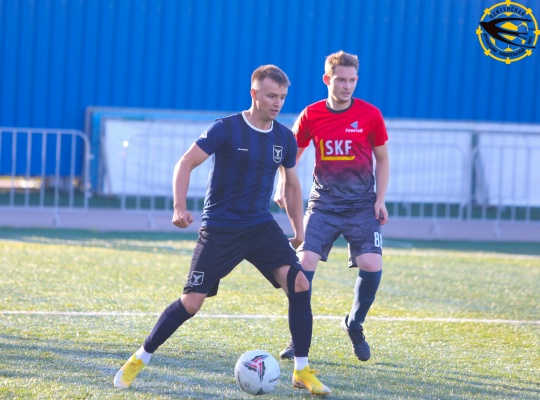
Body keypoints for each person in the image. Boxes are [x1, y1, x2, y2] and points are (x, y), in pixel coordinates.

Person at [113, 65, 331, 396]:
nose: (277, 103)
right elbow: (185, 163)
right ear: (254, 94)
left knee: (300, 283)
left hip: (260, 226)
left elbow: (291, 185)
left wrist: (298, 230)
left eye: (283, 97)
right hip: (220, 228)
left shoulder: (284, 137)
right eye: (271, 96)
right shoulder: (225, 128)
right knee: (191, 303)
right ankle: (138, 359)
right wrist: (179, 206)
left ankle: (301, 371)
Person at [275, 50, 389, 362]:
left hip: (361, 205)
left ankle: (354, 324)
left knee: (372, 265)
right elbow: (290, 158)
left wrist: (380, 199)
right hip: (323, 205)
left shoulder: (370, 115)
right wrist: (282, 185)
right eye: (341, 80)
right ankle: (298, 338)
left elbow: (382, 159)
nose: (347, 86)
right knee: (303, 265)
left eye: (352, 80)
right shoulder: (311, 115)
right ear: (328, 79)